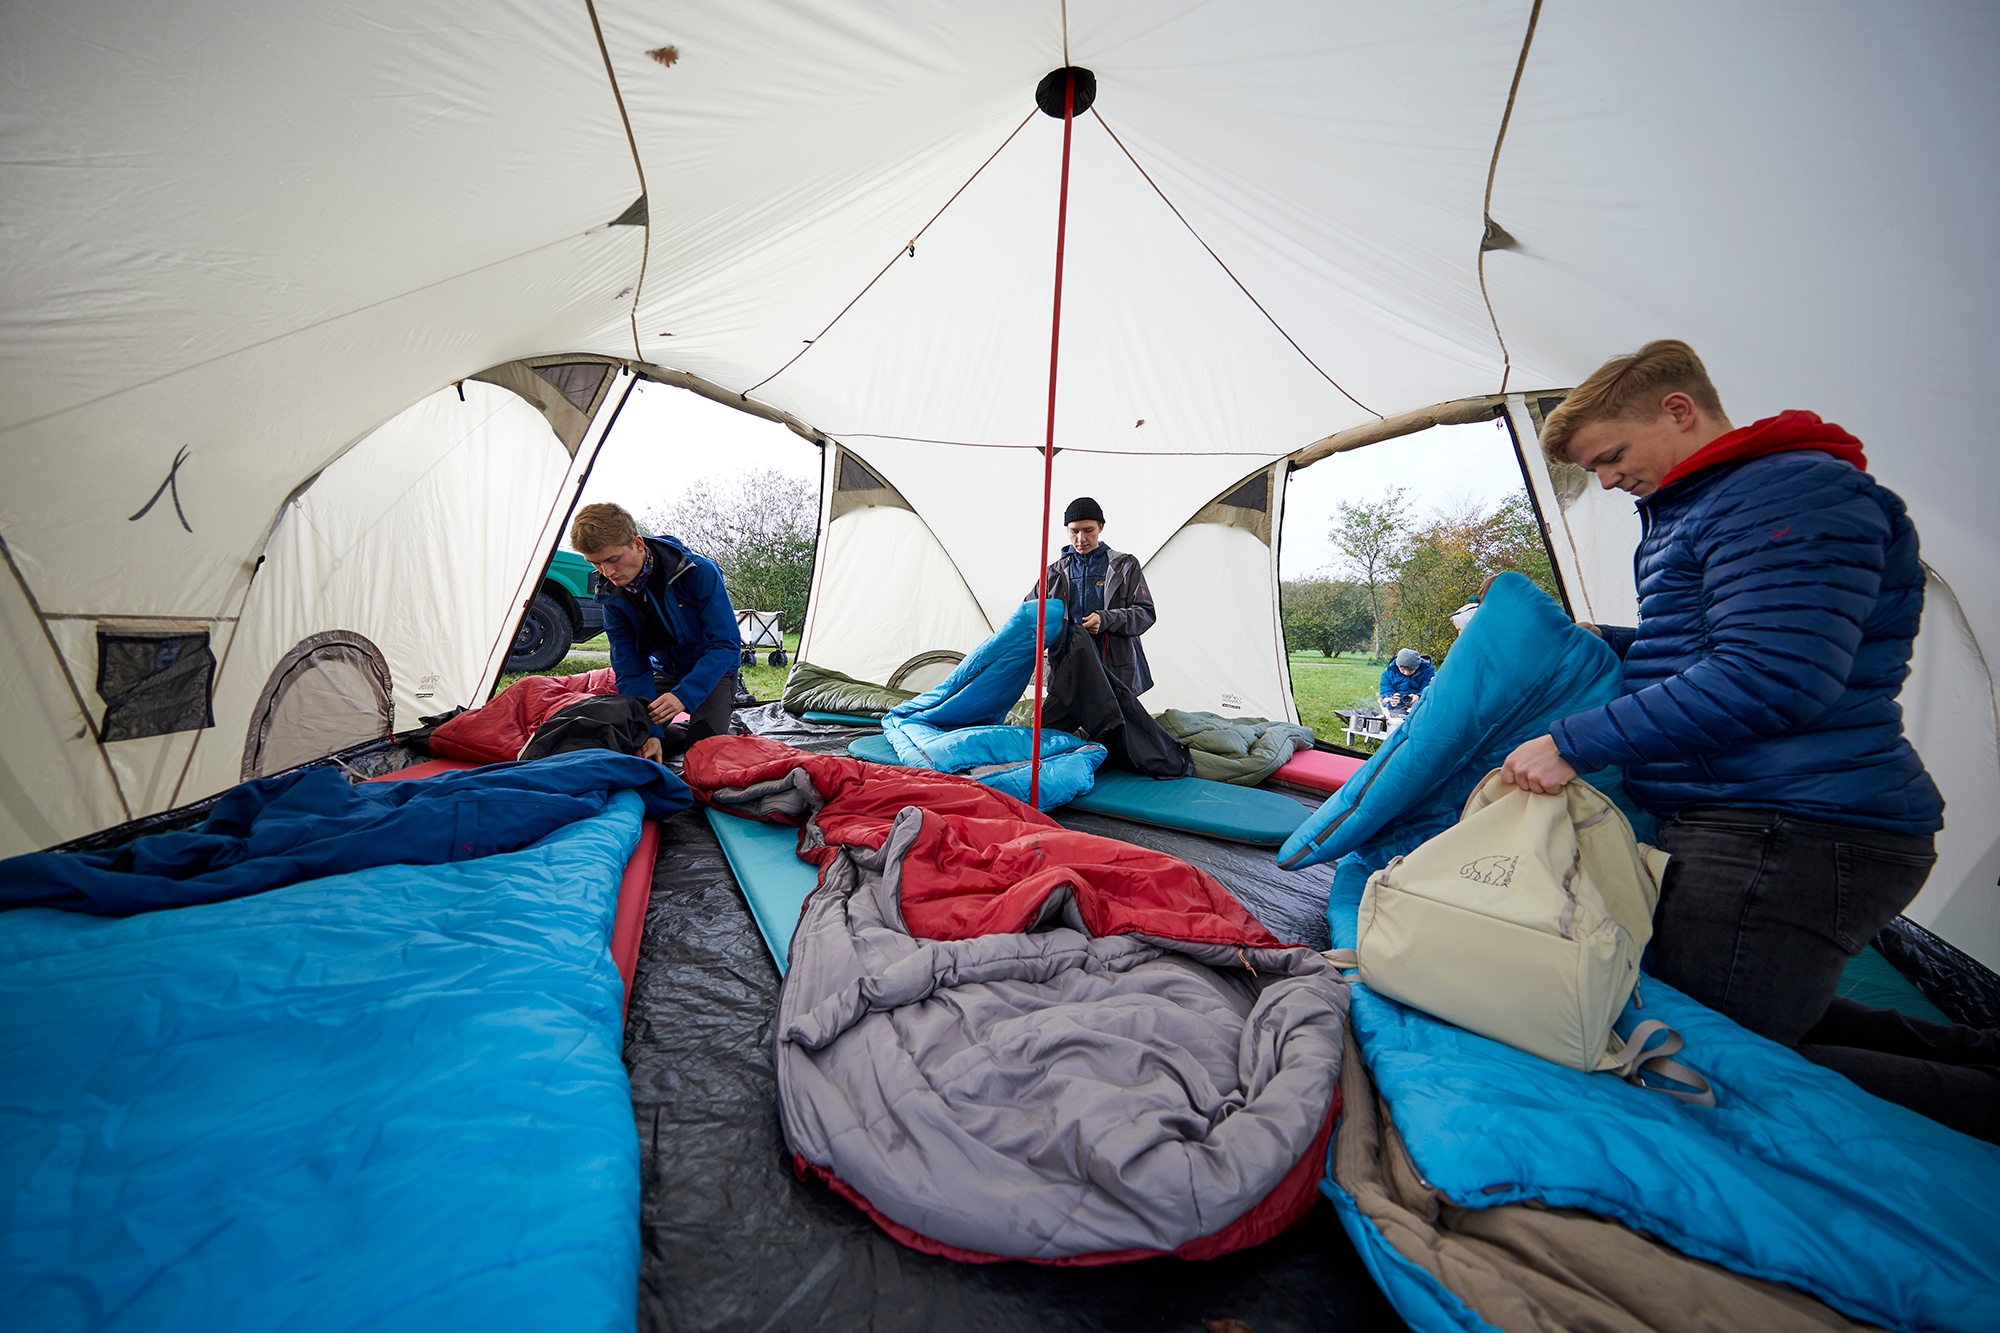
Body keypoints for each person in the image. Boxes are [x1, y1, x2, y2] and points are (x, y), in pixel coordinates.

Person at [1498, 339, 1997, 1142]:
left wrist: (1573, 741)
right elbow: (1714, 646)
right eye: (1595, 470)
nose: (1609, 481)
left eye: (1614, 456)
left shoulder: (1784, 492)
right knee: (1755, 1020)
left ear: (1679, 409)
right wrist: (1607, 643)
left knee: (1715, 1058)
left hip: (1792, 826)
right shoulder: (1708, 506)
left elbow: (1775, 674)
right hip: (1764, 814)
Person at [569, 502, 742, 762]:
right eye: (596, 564)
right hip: (665, 671)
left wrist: (684, 695)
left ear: (638, 543)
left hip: (713, 672)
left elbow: (725, 644)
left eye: (614, 560)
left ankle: (720, 727)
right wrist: (651, 732)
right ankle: (677, 731)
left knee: (701, 756)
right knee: (631, 740)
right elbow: (630, 665)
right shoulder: (611, 594)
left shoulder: (699, 572)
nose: (608, 573)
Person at [1026, 497, 1156, 697]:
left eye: (1088, 530)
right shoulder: (1053, 574)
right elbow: (1028, 614)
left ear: (1101, 527)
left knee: (1112, 727)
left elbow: (1145, 613)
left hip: (1115, 673)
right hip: (1067, 671)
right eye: (1074, 531)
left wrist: (1105, 620)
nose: (1081, 538)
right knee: (1052, 726)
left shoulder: (1125, 566)